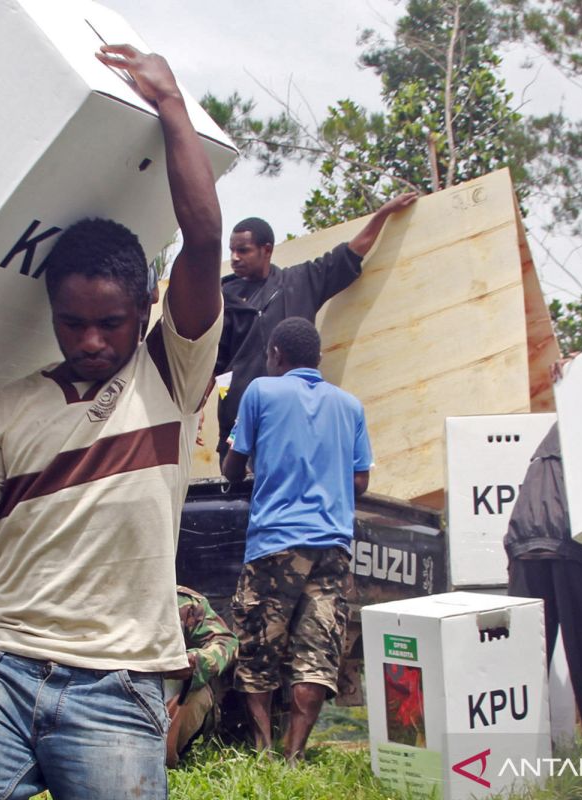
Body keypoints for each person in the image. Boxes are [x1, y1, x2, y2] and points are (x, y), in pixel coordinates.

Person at [0, 44, 223, 799]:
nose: (91, 341)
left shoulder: (169, 372)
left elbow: (204, 241)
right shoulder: (12, 399)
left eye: (110, 323)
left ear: (144, 308)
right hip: (2, 667)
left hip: (120, 684)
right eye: (72, 322)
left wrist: (171, 106)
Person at [222, 317, 373, 764]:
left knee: (259, 649)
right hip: (332, 546)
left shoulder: (261, 392)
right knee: (316, 650)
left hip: (275, 542)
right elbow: (360, 480)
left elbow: (234, 467)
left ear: (275, 355)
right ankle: (294, 756)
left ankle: (264, 752)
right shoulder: (350, 405)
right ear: (318, 359)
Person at [214, 192, 417, 462]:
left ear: (267, 249)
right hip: (241, 418)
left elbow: (349, 254)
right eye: (232, 251)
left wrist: (382, 214)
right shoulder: (222, 295)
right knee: (238, 491)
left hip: (294, 419)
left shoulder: (300, 281)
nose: (235, 257)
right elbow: (215, 362)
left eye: (243, 250)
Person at [503, 422, 582, 756]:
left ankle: (519, 755)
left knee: (524, 659)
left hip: (527, 534)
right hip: (577, 536)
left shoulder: (575, 399)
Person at [166, 586, 240, 767]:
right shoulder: (97, 594)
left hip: (167, 692)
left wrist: (197, 661)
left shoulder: (182, 600)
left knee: (197, 694)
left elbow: (226, 642)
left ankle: (164, 760)